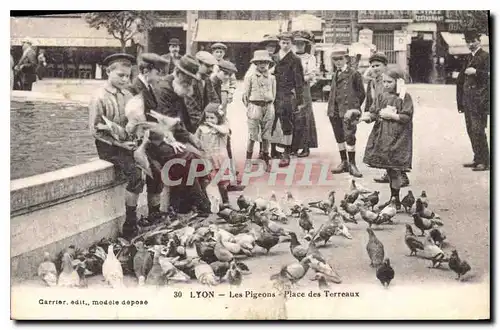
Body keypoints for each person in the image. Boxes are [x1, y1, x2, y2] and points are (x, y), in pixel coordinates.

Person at [88, 53, 143, 239]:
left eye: (128, 76)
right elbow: (95, 130)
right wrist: (120, 144)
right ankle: (130, 221)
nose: (125, 79)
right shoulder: (99, 97)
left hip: (126, 143)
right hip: (108, 146)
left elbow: (133, 120)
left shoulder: (128, 95)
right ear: (107, 72)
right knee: (136, 175)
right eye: (121, 75)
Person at [154, 54, 212, 214]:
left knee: (198, 159)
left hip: (171, 137)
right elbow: (167, 122)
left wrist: (190, 137)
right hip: (158, 138)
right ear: (178, 74)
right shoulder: (163, 89)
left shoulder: (176, 86)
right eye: (188, 80)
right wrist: (189, 137)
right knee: (188, 158)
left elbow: (179, 122)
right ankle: (201, 206)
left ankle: (187, 206)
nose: (190, 85)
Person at [126, 53, 170, 224]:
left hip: (150, 140)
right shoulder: (133, 90)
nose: (160, 77)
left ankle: (154, 213)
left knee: (160, 170)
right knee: (155, 171)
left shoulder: (149, 87)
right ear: (146, 71)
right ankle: (141, 217)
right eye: (158, 73)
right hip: (138, 143)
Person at [361, 67, 414, 210]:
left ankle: (395, 199)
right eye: (384, 82)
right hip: (383, 136)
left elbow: (407, 116)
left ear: (398, 82)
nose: (386, 85)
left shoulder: (404, 97)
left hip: (398, 137)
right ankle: (393, 198)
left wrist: (393, 116)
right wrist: (367, 118)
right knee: (390, 169)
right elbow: (374, 112)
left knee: (395, 169)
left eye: (389, 82)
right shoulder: (381, 96)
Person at [365, 52, 411, 187]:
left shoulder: (393, 81)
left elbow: (400, 102)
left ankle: (401, 175)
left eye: (377, 65)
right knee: (384, 147)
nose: (375, 68)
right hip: (383, 118)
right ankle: (389, 173)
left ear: (385, 66)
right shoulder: (375, 81)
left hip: (394, 118)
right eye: (372, 66)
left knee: (395, 148)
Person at [327, 48, 366, 178]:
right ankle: (344, 162)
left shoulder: (354, 74)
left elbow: (361, 93)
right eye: (335, 59)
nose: (338, 62)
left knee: (350, 136)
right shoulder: (335, 74)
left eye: (340, 59)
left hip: (348, 111)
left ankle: (352, 164)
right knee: (339, 137)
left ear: (346, 59)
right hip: (334, 110)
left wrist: (354, 108)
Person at [456, 29, 490, 171]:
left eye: (473, 41)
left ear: (479, 41)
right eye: (468, 41)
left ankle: (485, 161)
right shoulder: (468, 57)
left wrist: (476, 72)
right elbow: (461, 80)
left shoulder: (486, 56)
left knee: (478, 130)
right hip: (468, 100)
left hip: (479, 100)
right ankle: (477, 158)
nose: (471, 44)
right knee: (471, 129)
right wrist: (460, 102)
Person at [270, 31, 305, 167]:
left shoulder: (295, 60)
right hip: (271, 95)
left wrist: (300, 101)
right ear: (279, 43)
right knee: (270, 123)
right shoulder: (272, 58)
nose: (285, 45)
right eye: (283, 42)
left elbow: (299, 81)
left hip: (286, 96)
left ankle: (286, 152)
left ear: (291, 44)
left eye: (288, 43)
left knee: (286, 124)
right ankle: (271, 150)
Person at [210, 59, 245, 191]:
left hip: (220, 118)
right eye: (226, 74)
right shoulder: (212, 82)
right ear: (219, 71)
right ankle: (226, 182)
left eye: (229, 75)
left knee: (227, 147)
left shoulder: (218, 82)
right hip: (214, 120)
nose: (228, 78)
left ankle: (230, 179)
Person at [242, 50, 276, 172]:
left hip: (268, 107)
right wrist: (252, 107)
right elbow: (245, 95)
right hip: (254, 106)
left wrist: (269, 105)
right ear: (255, 63)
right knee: (252, 136)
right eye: (260, 62)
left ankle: (266, 162)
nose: (263, 65)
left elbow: (274, 94)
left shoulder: (272, 78)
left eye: (265, 62)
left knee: (266, 136)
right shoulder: (250, 77)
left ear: (268, 63)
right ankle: (248, 162)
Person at [195, 103, 231, 206]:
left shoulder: (222, 127)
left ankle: (225, 201)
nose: (209, 120)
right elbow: (195, 140)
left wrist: (213, 125)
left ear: (218, 118)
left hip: (220, 159)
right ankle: (208, 202)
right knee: (207, 181)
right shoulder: (202, 128)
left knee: (222, 182)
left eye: (212, 117)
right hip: (207, 159)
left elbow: (225, 130)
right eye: (207, 117)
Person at [290, 30, 318, 158]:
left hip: (304, 89)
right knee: (292, 116)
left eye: (302, 43)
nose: (299, 46)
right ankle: (293, 147)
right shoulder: (290, 56)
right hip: (291, 89)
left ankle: (306, 147)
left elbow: (311, 75)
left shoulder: (310, 58)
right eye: (297, 43)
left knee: (305, 116)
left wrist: (299, 79)